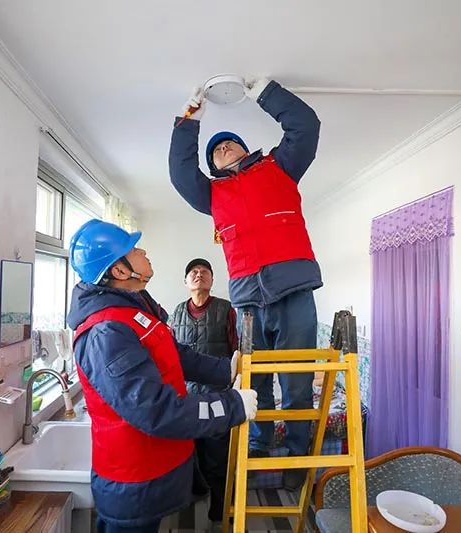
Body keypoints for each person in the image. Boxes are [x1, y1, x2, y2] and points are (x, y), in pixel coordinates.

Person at [168, 77, 322, 490]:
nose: (222, 148)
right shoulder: (212, 195)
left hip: (293, 292)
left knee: (296, 384)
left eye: (228, 143)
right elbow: (181, 172)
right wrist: (189, 120)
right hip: (249, 303)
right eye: (215, 151)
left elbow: (306, 125)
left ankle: (296, 462)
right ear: (213, 167)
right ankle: (257, 450)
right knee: (256, 384)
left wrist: (264, 92)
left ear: (244, 148)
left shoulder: (280, 167)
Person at [67, 219, 258, 533]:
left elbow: (175, 354)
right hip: (134, 481)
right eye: (133, 249)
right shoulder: (107, 332)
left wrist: (225, 369)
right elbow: (156, 409)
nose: (142, 251)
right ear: (120, 271)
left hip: (153, 470)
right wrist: (231, 406)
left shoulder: (134, 309)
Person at [168, 258, 237, 523]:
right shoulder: (176, 312)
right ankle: (193, 495)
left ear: (212, 280)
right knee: (190, 450)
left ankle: (220, 507)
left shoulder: (226, 309)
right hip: (186, 395)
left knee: (218, 453)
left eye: (205, 272)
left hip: (217, 393)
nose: (199, 275)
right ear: (186, 282)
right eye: (194, 272)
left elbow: (236, 350)